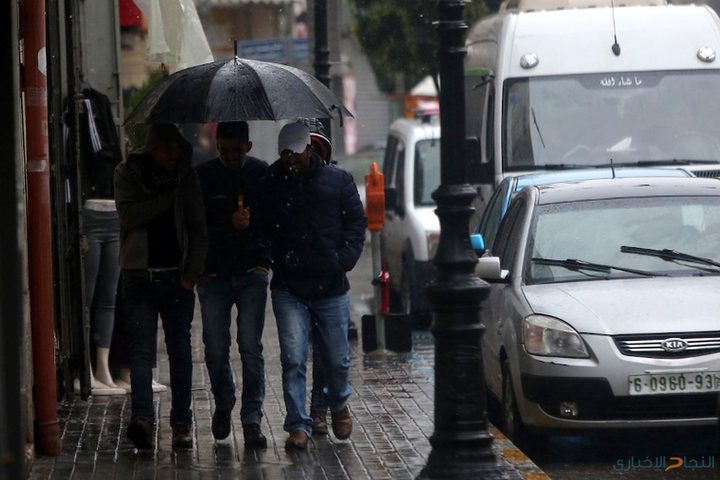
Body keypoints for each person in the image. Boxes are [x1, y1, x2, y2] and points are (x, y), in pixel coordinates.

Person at [260, 121, 367, 449]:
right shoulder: (273, 182)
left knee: (336, 357)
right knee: (293, 357)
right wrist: (271, 253)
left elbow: (355, 221)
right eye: (284, 154)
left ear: (310, 149)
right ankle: (298, 424)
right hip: (289, 285)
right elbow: (263, 224)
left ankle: (337, 404)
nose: (290, 160)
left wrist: (342, 259)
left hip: (330, 285)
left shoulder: (337, 180)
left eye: (295, 152)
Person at [113, 123, 207, 450]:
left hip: (176, 280)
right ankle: (142, 419)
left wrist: (191, 275)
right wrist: (166, 199)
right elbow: (129, 216)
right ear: (150, 149)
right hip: (139, 278)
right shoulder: (128, 174)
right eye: (164, 148)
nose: (170, 155)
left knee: (180, 353)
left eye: (175, 148)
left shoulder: (187, 177)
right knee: (141, 354)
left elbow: (198, 228)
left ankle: (181, 422)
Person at [195, 121, 270, 448]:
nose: (230, 156)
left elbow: (271, 218)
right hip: (214, 274)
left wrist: (262, 257)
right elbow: (197, 223)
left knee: (250, 347)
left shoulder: (260, 173)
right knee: (214, 346)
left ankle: (251, 416)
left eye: (236, 150)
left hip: (251, 271)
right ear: (217, 146)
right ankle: (224, 399)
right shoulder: (204, 176)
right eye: (224, 150)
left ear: (247, 147)